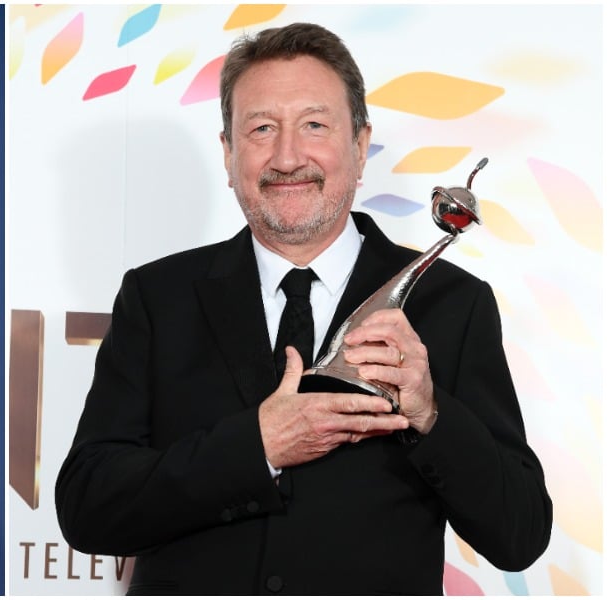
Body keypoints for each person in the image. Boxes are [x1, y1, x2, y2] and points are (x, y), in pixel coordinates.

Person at [54, 22, 551, 595]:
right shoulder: (157, 296)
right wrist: (254, 448)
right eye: (262, 128)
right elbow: (88, 505)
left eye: (315, 125)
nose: (288, 157)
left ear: (361, 146)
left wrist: (430, 411)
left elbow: (520, 535)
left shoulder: (451, 302)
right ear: (229, 152)